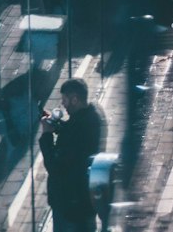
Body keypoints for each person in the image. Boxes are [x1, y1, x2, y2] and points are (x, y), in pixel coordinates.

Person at [38, 77, 106, 232]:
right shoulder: (94, 114)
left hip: (69, 206)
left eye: (65, 100)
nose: (63, 105)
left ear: (75, 99)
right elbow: (77, 134)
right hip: (86, 202)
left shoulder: (76, 130)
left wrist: (47, 135)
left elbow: (55, 167)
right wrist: (58, 126)